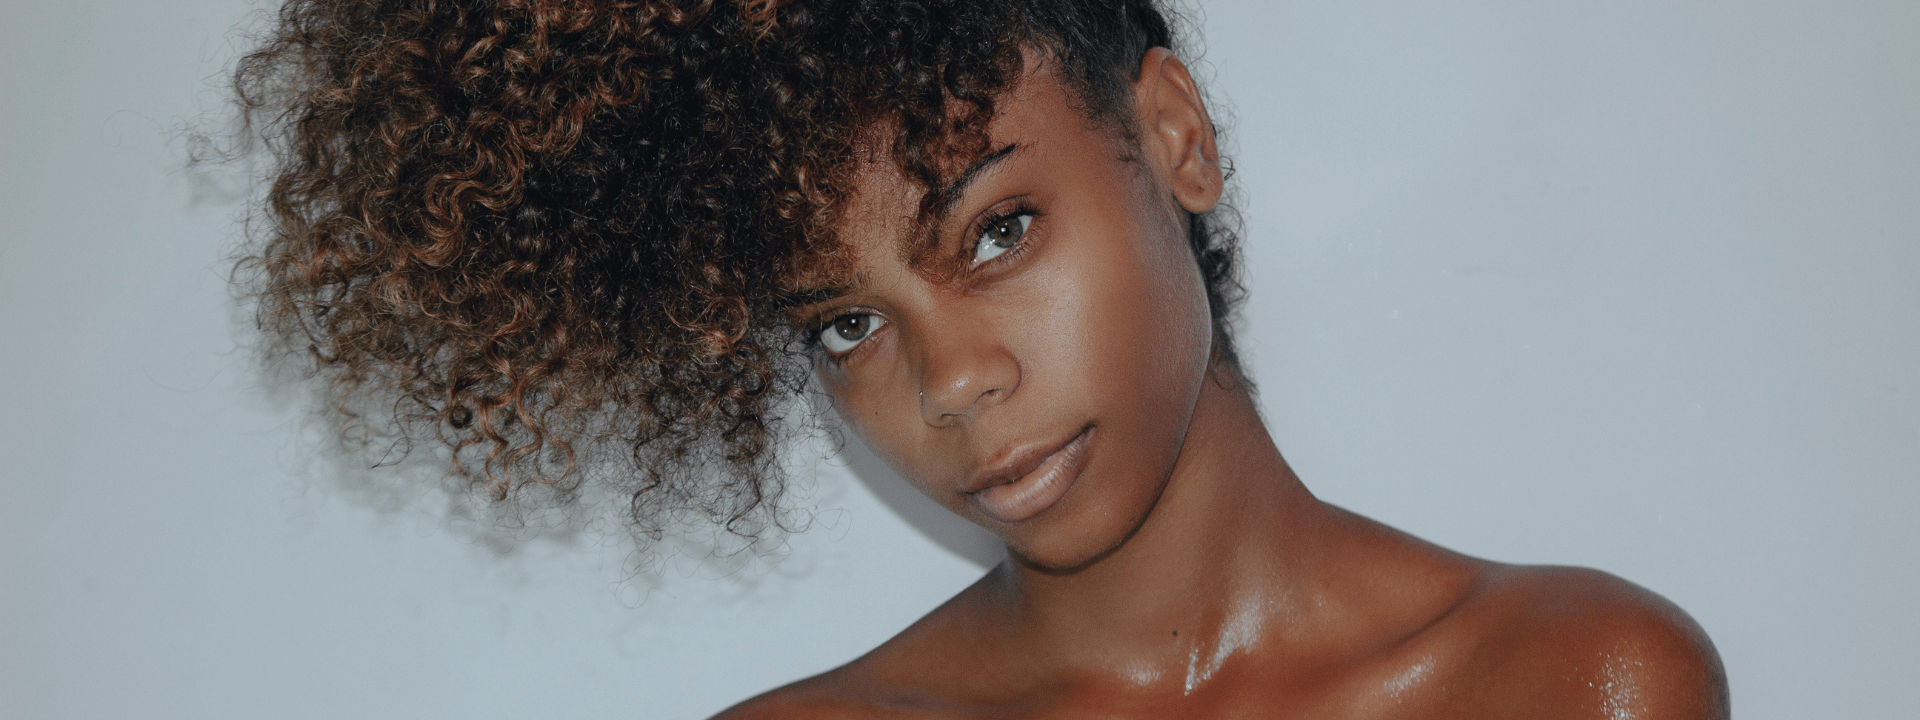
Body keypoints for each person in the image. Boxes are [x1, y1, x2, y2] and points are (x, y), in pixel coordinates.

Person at [233, 0, 1729, 716]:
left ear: (1173, 137)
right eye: (845, 320)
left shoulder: (1574, 683)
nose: (949, 382)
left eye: (997, 231)